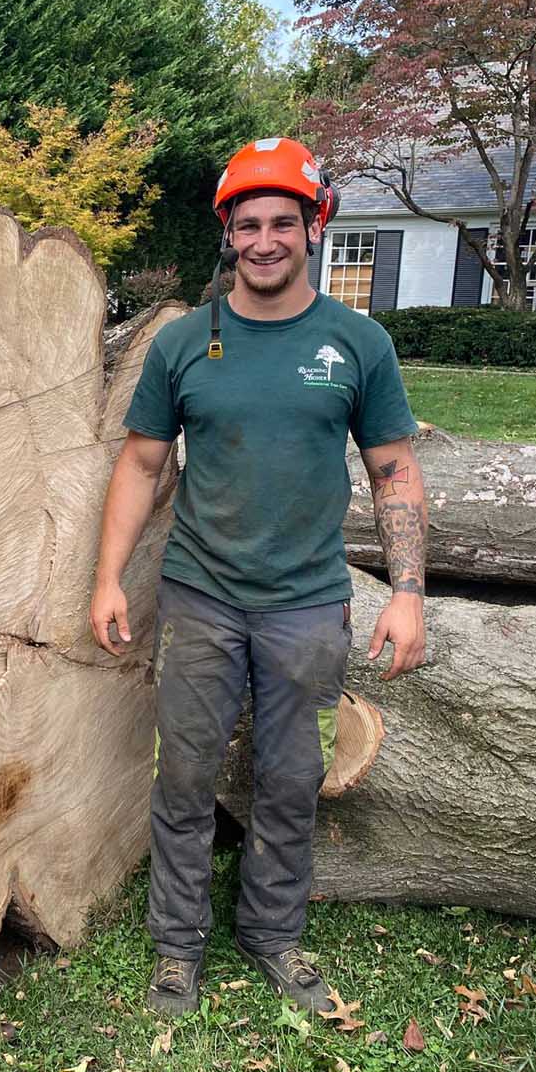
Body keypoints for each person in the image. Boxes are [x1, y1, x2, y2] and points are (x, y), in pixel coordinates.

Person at [89, 137, 429, 1016]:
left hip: (308, 607)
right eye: (249, 225)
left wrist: (407, 592)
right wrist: (109, 577)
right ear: (228, 234)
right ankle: (178, 945)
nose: (266, 240)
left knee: (290, 780)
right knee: (184, 776)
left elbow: (393, 470)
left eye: (284, 222)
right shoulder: (183, 344)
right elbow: (140, 464)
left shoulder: (358, 344)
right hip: (199, 597)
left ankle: (272, 935)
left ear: (314, 227)